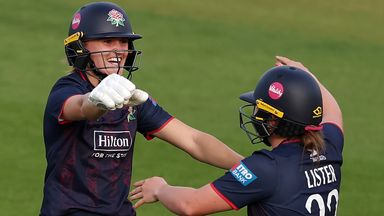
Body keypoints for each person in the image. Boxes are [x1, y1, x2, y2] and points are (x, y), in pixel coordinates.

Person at [40, 2, 243, 216]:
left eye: (124, 42)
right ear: (79, 47)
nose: (119, 50)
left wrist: (249, 166)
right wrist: (96, 100)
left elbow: (194, 141)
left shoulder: (131, 98)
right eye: (107, 41)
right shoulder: (66, 89)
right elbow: (81, 107)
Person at [130, 56, 344, 216]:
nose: (254, 115)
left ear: (273, 121)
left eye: (259, 109)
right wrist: (307, 76)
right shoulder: (329, 143)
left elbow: (191, 205)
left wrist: (160, 189)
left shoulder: (265, 168)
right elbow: (333, 111)